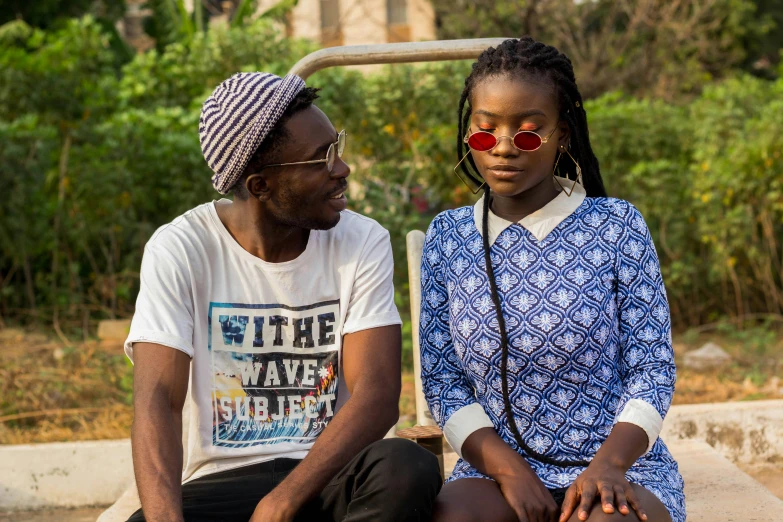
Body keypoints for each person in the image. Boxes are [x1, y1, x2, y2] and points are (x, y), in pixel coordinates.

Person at [125, 71, 441, 522]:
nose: (342, 169)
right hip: (223, 483)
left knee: (407, 467)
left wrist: (282, 502)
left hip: (330, 476)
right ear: (260, 186)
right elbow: (157, 399)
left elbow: (376, 395)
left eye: (337, 147)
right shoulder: (181, 248)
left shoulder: (360, 240)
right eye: (320, 160)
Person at [419, 38, 685, 522]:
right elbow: (444, 382)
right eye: (484, 132)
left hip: (618, 464)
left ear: (562, 134)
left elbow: (652, 369)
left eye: (527, 133)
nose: (502, 149)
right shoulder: (448, 237)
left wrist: (608, 465)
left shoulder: (617, 225)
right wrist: (510, 472)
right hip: (493, 471)